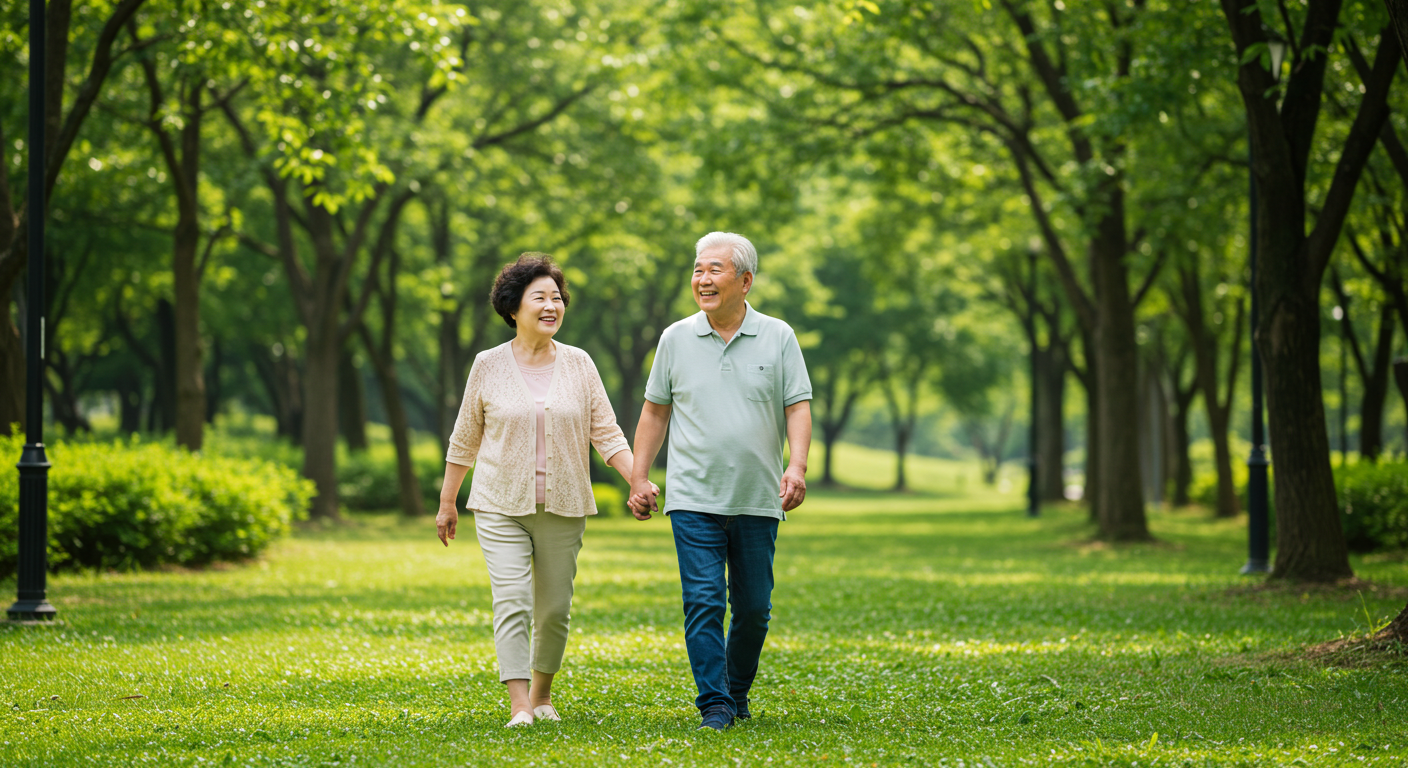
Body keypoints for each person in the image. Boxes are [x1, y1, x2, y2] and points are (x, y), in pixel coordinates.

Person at [436, 253, 656, 728]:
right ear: (514, 307)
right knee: (512, 599)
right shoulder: (488, 365)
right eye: (540, 297)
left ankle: (542, 694)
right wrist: (447, 501)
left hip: (564, 503)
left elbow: (607, 432)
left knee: (554, 609)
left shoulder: (579, 363)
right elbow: (465, 436)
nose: (551, 305)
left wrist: (637, 479)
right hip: (499, 503)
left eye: (557, 298)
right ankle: (519, 706)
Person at [627, 231, 812, 731]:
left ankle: (735, 691)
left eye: (715, 270)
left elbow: (797, 405)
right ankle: (714, 704)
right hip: (693, 495)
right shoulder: (675, 338)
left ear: (745, 280)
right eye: (697, 270)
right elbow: (655, 410)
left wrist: (795, 466)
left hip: (757, 496)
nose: (702, 279)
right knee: (704, 600)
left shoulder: (778, 336)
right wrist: (639, 476)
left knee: (753, 609)